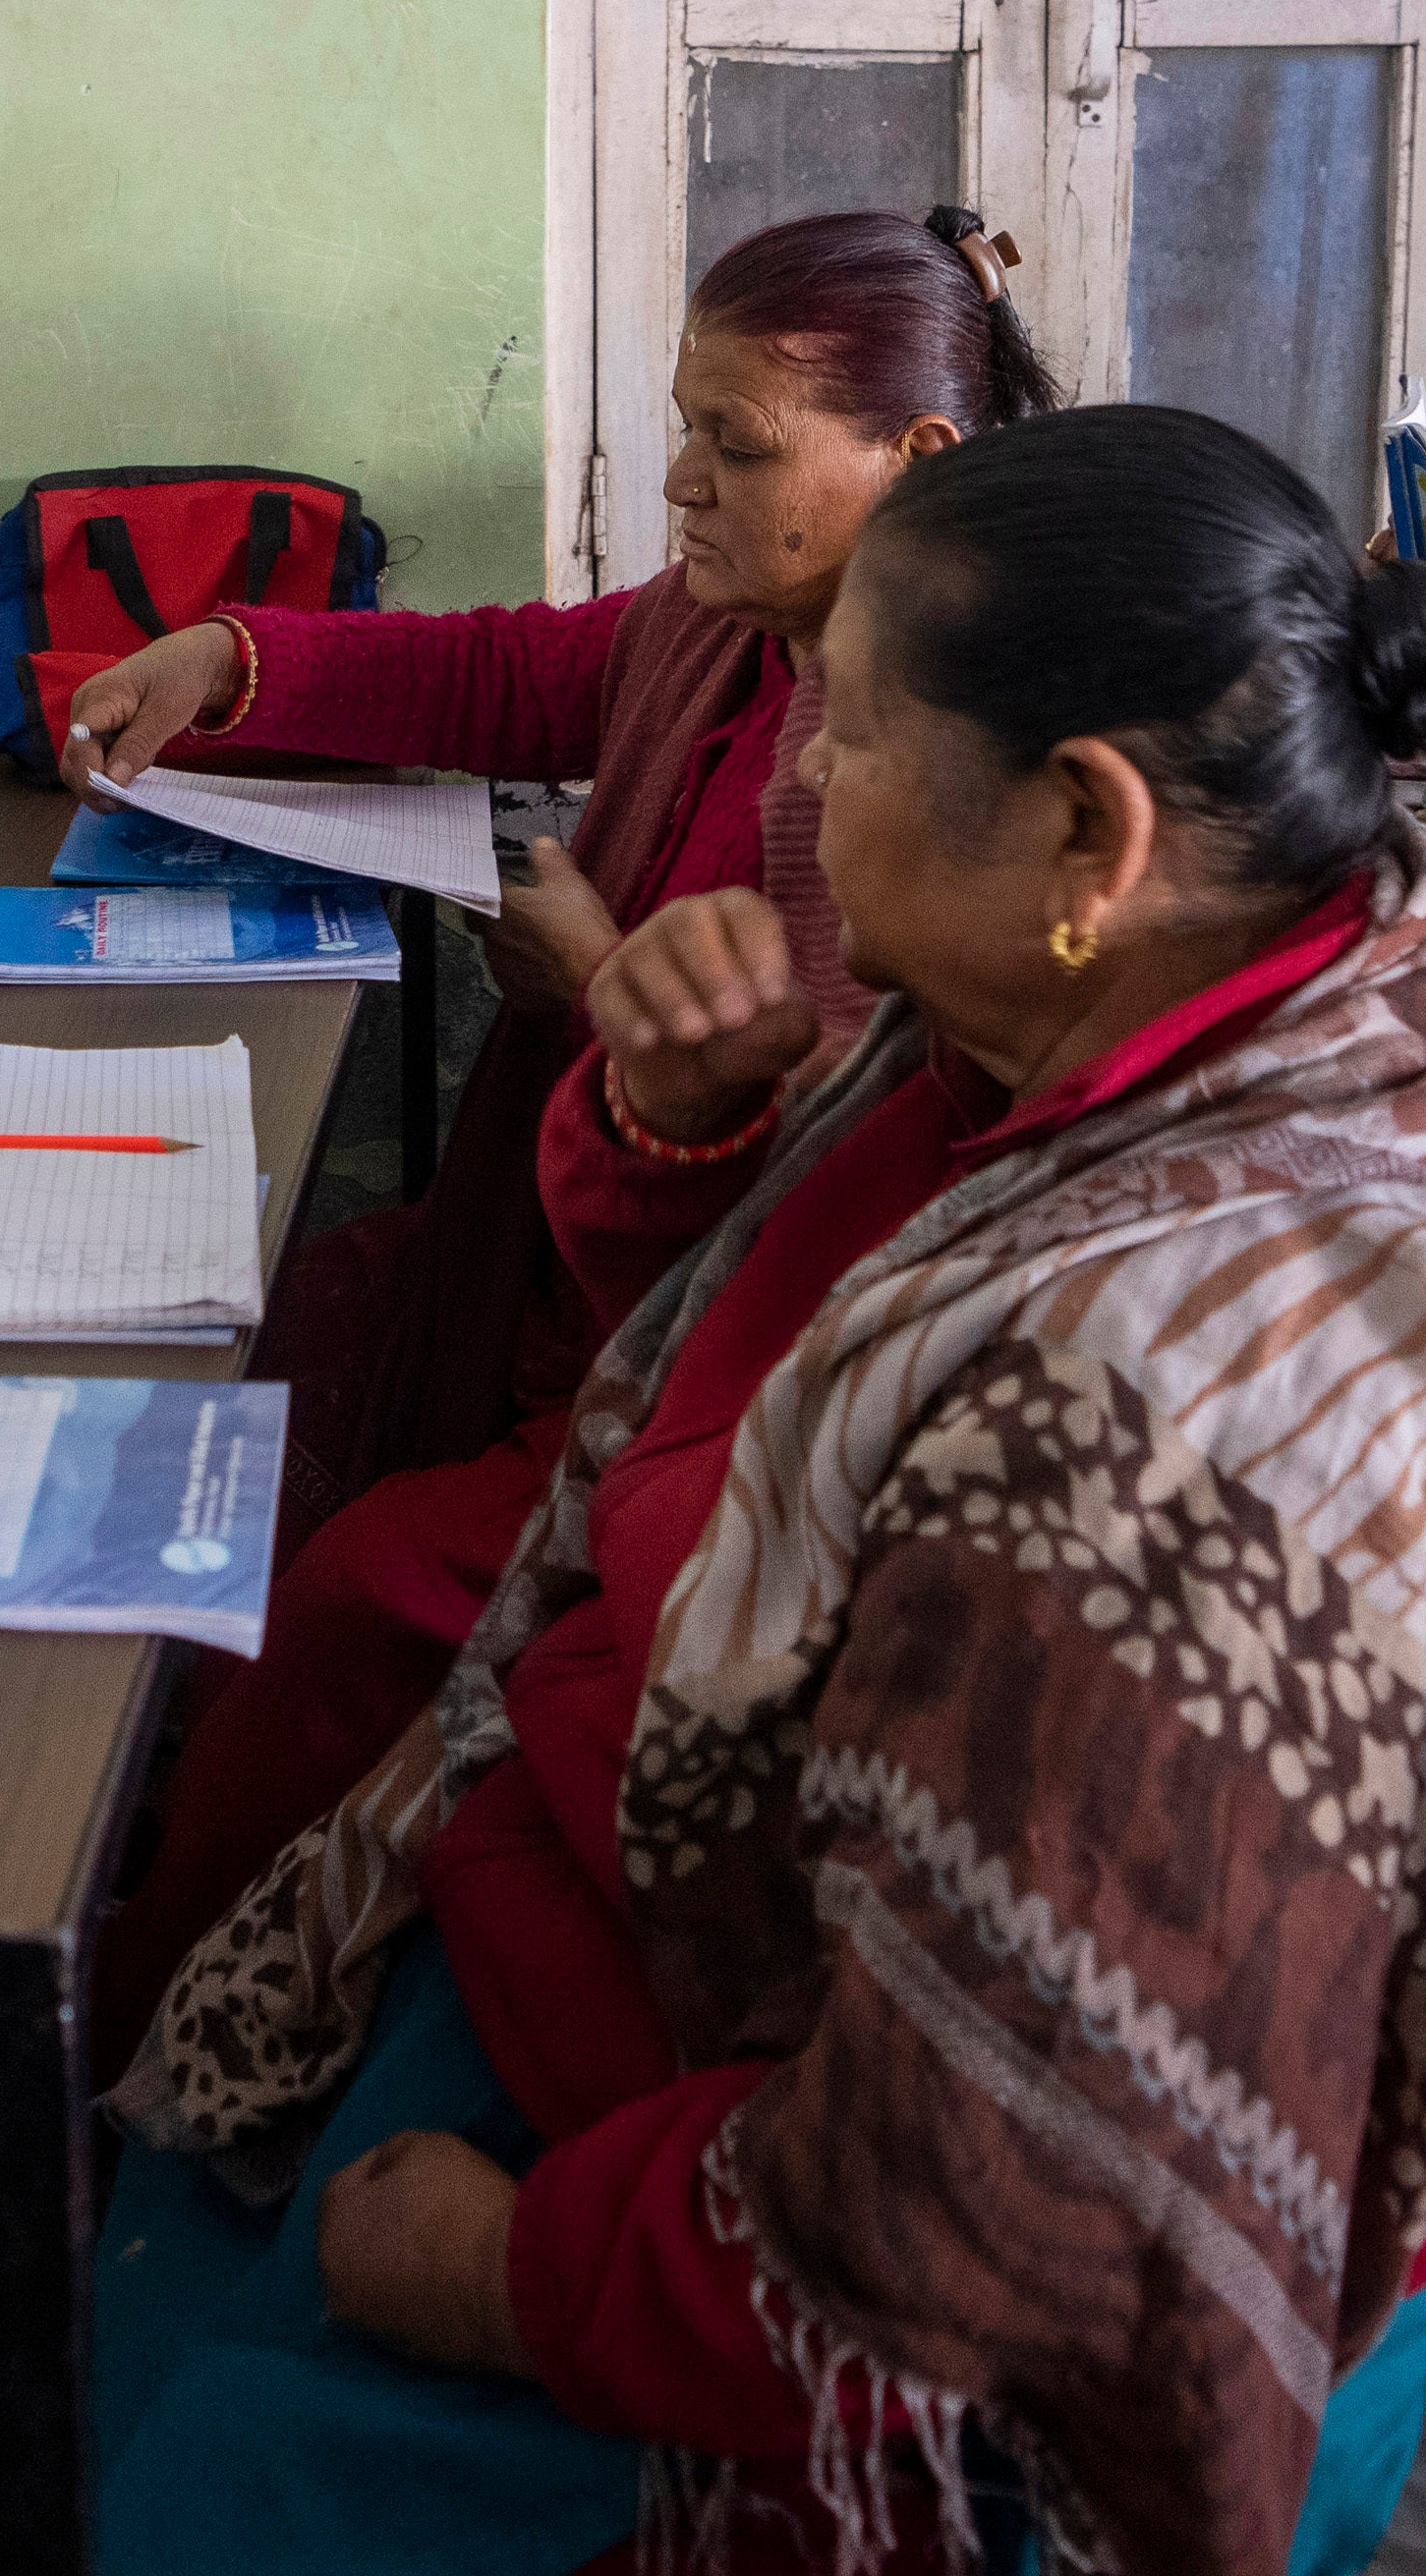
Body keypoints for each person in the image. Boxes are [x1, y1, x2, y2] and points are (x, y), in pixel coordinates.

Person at [0, 406, 1426, 2576]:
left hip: (900, 2317)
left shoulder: (1186, 1408)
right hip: (684, 1969)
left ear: (1086, 826)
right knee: (146, 2377)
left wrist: (499, 2274)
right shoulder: (1107, 1039)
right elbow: (715, 1413)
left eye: (845, 732)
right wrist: (686, 1116)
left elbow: (982, 2206)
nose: (796, 793)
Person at [54, 205, 1054, 2018]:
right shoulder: (725, 624)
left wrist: (601, 990)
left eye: (737, 447)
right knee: (255, 1365)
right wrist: (232, 656)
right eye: (683, 422)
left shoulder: (897, 767)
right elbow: (518, 671)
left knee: (355, 1592)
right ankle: (117, 1832)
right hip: (557, 1253)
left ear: (919, 462)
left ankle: (147, 1991)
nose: (680, 481)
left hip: (690, 1360)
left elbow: (836, 1203)